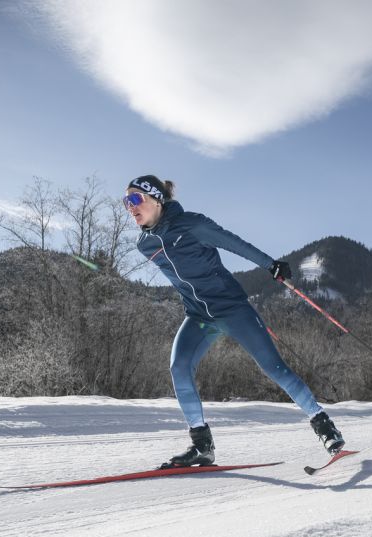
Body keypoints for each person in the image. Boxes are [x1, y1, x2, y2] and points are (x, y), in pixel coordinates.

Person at [124, 175, 344, 468]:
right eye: (126, 202)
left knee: (273, 368)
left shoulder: (193, 225)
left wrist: (271, 265)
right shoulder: (144, 243)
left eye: (136, 199)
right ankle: (202, 445)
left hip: (232, 309)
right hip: (199, 317)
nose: (130, 207)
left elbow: (233, 243)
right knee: (179, 366)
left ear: (156, 199)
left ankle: (325, 427)